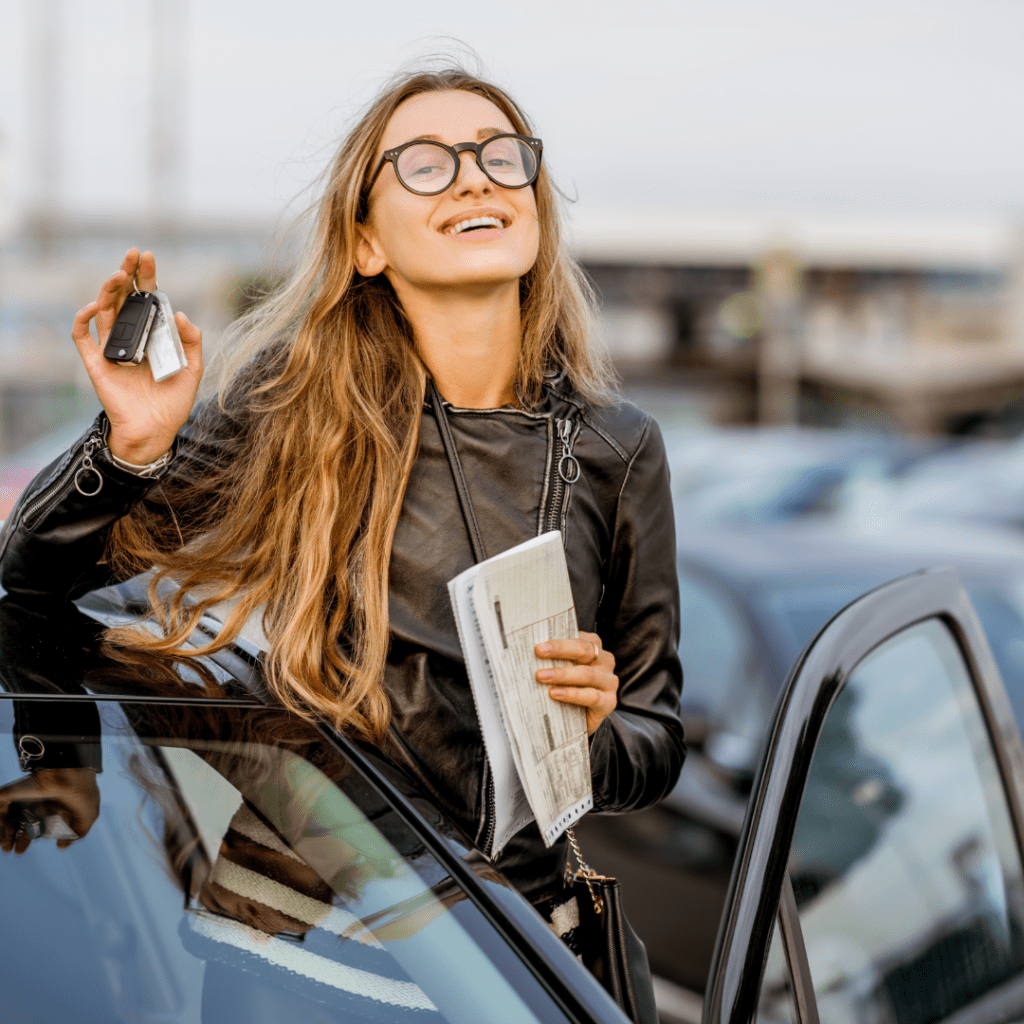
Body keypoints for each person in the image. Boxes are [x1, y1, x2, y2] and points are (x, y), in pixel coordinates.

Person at [0, 65, 684, 909]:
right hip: (293, 934)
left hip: (504, 954)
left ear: (535, 203)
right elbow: (29, 581)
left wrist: (589, 737)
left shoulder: (620, 448)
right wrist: (134, 445)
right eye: (427, 164)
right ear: (367, 243)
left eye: (502, 156)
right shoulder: (289, 408)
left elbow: (654, 741)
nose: (475, 173)